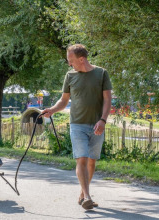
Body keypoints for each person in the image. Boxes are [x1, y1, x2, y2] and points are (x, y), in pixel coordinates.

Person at [42, 44, 112, 210]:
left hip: (97, 124)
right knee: (81, 158)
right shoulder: (70, 75)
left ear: (81, 59)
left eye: (71, 60)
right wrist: (52, 110)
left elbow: (108, 99)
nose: (69, 64)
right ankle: (88, 196)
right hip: (77, 124)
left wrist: (103, 120)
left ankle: (82, 193)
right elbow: (64, 100)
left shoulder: (101, 73)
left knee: (92, 162)